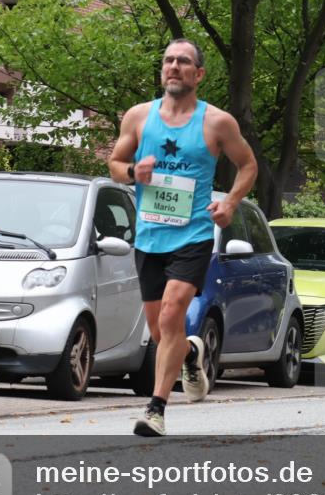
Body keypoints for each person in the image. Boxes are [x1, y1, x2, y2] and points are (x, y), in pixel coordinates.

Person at [108, 38, 257, 436]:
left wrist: (231, 203)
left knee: (173, 312)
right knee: (162, 332)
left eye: (183, 61)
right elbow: (115, 163)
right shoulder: (139, 117)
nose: (174, 66)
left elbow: (248, 165)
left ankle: (156, 409)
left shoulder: (217, 122)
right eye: (168, 60)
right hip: (149, 236)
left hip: (192, 234)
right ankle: (191, 353)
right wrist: (132, 173)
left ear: (199, 74)